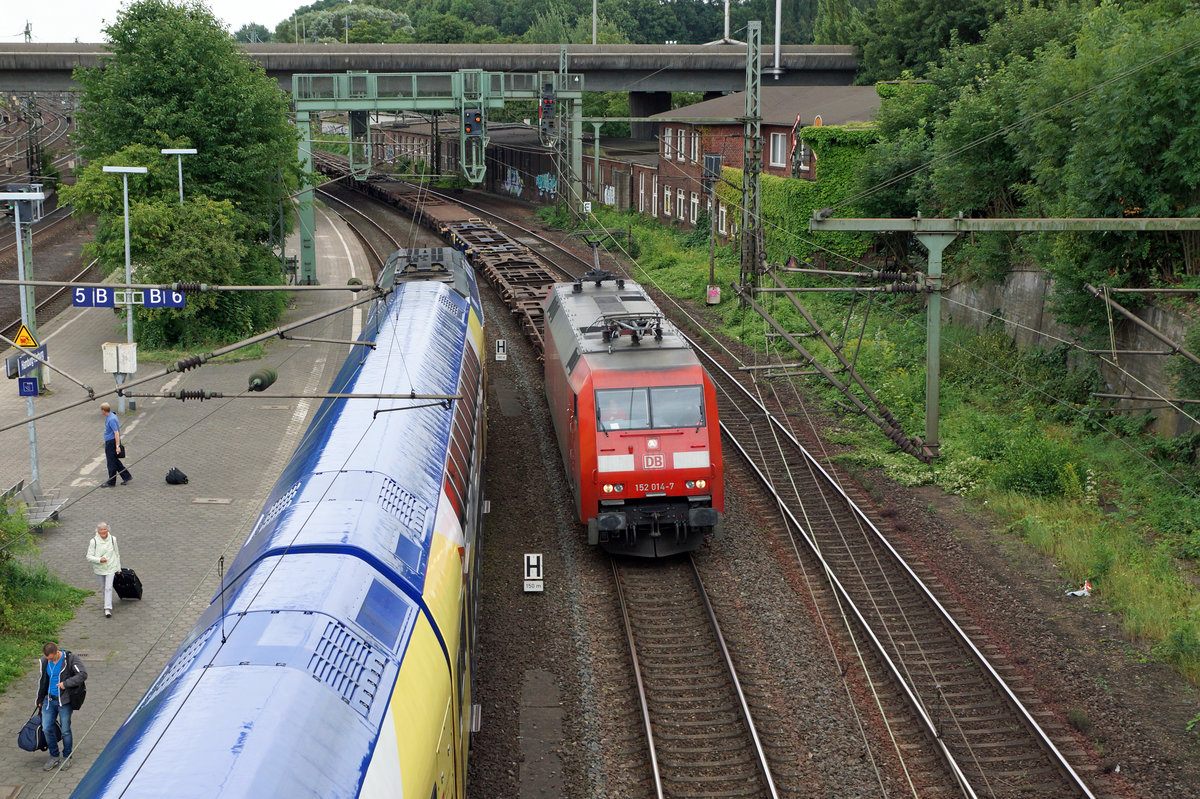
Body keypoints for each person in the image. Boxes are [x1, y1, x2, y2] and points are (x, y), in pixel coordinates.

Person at [36, 642, 86, 771]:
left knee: (65, 730)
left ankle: (67, 756)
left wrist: (66, 683)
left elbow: (82, 674)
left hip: (64, 701)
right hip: (49, 699)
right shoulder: (45, 661)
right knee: (46, 728)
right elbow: (43, 681)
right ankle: (54, 756)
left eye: (51, 658)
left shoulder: (70, 658)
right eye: (47, 658)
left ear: (57, 652)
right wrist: (40, 699)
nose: (49, 660)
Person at [86, 522, 121, 618]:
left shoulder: (113, 539)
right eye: (101, 530)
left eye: (105, 529)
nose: (103, 531)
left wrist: (118, 568)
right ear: (98, 531)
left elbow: (116, 554)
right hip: (99, 569)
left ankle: (107, 608)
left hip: (111, 567)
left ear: (108, 530)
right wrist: (99, 560)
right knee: (103, 588)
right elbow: (89, 557)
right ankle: (107, 601)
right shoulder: (94, 541)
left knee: (108, 587)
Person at [100, 402, 132, 487]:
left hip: (111, 442)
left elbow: (116, 433)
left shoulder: (111, 419)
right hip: (111, 441)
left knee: (111, 462)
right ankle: (126, 476)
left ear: (103, 410)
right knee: (115, 461)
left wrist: (117, 446)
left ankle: (111, 482)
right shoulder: (111, 416)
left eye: (101, 410)